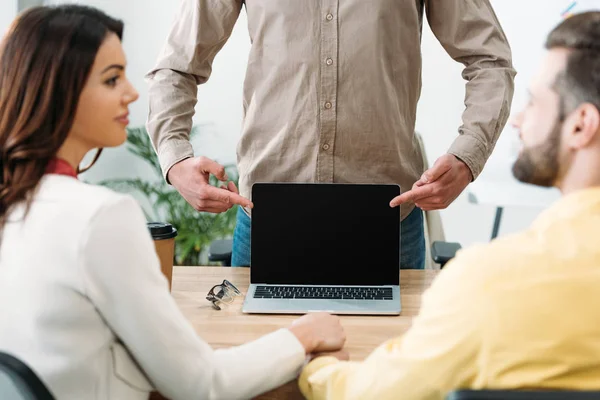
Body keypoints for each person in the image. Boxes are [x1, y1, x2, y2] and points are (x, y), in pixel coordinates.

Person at [0, 6, 346, 400]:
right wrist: (302, 335)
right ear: (57, 90)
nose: (132, 93)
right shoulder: (100, 218)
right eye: (112, 79)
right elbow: (202, 385)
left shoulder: (17, 206)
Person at [298, 11, 600, 399]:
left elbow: (376, 394)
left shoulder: (490, 284)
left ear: (580, 125)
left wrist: (317, 366)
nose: (518, 120)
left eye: (534, 102)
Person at [146, 0, 516, 269]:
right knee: (262, 373)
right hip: (268, 221)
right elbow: (176, 67)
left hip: (388, 228)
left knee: (386, 373)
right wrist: (175, 156)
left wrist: (468, 155)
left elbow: (490, 61)